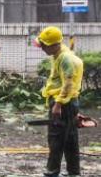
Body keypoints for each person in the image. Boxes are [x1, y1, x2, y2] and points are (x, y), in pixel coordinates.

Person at [35, 26, 83, 177]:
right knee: (70, 139)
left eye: (44, 45)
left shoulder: (65, 58)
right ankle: (74, 172)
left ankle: (52, 172)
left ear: (54, 45)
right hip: (69, 103)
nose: (42, 48)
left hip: (62, 103)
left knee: (55, 139)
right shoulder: (60, 54)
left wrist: (58, 104)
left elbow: (68, 84)